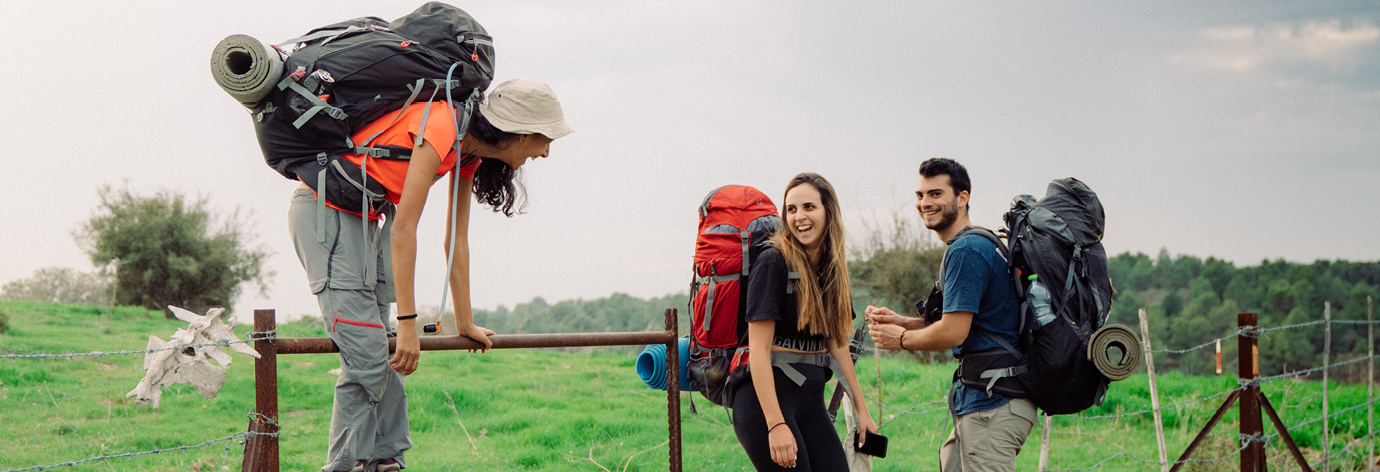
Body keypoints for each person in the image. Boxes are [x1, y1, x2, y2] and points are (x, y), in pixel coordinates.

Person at [288, 79, 573, 472]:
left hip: (366, 220)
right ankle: (346, 466)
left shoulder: (469, 151)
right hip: (326, 215)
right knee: (367, 353)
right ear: (522, 132)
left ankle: (385, 460)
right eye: (546, 139)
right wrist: (408, 324)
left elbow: (456, 241)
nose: (545, 152)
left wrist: (465, 322)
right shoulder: (441, 127)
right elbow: (405, 229)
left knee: (382, 350)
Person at [866, 158, 1034, 472]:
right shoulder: (979, 243)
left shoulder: (966, 250)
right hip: (987, 399)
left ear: (962, 197)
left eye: (935, 194)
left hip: (993, 404)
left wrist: (901, 339)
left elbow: (954, 332)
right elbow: (971, 322)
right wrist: (903, 321)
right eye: (920, 195)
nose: (925, 203)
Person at [733, 172, 878, 471]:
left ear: (828, 211)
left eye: (809, 207)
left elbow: (837, 343)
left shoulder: (831, 269)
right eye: (791, 209)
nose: (799, 217)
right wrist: (775, 425)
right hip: (765, 406)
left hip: (811, 403)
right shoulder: (774, 262)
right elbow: (758, 350)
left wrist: (862, 409)